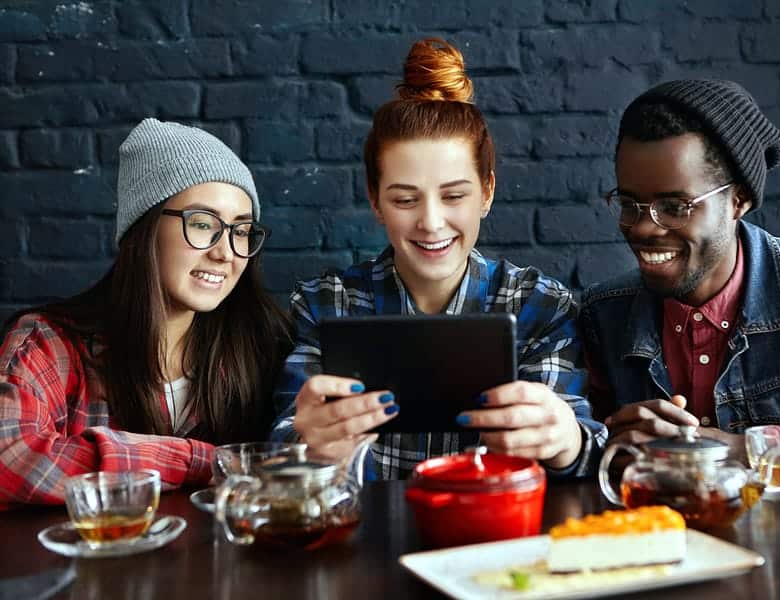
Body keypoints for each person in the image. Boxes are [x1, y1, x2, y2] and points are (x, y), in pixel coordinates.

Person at [271, 38, 605, 480]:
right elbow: (282, 446)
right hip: (364, 541)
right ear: (375, 201)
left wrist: (567, 442)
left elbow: (577, 460)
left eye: (453, 196)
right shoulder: (324, 303)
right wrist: (306, 447)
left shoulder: (538, 304)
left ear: (486, 192)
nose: (431, 222)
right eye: (405, 199)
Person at [579, 79, 780, 476]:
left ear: (738, 200)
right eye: (630, 204)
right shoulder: (602, 316)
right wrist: (613, 440)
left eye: (675, 206)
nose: (644, 228)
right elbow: (581, 445)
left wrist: (755, 449)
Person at [0, 119, 294, 508]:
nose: (225, 252)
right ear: (144, 228)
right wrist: (202, 461)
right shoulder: (48, 343)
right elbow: (10, 460)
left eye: (240, 231)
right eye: (203, 224)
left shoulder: (263, 345)